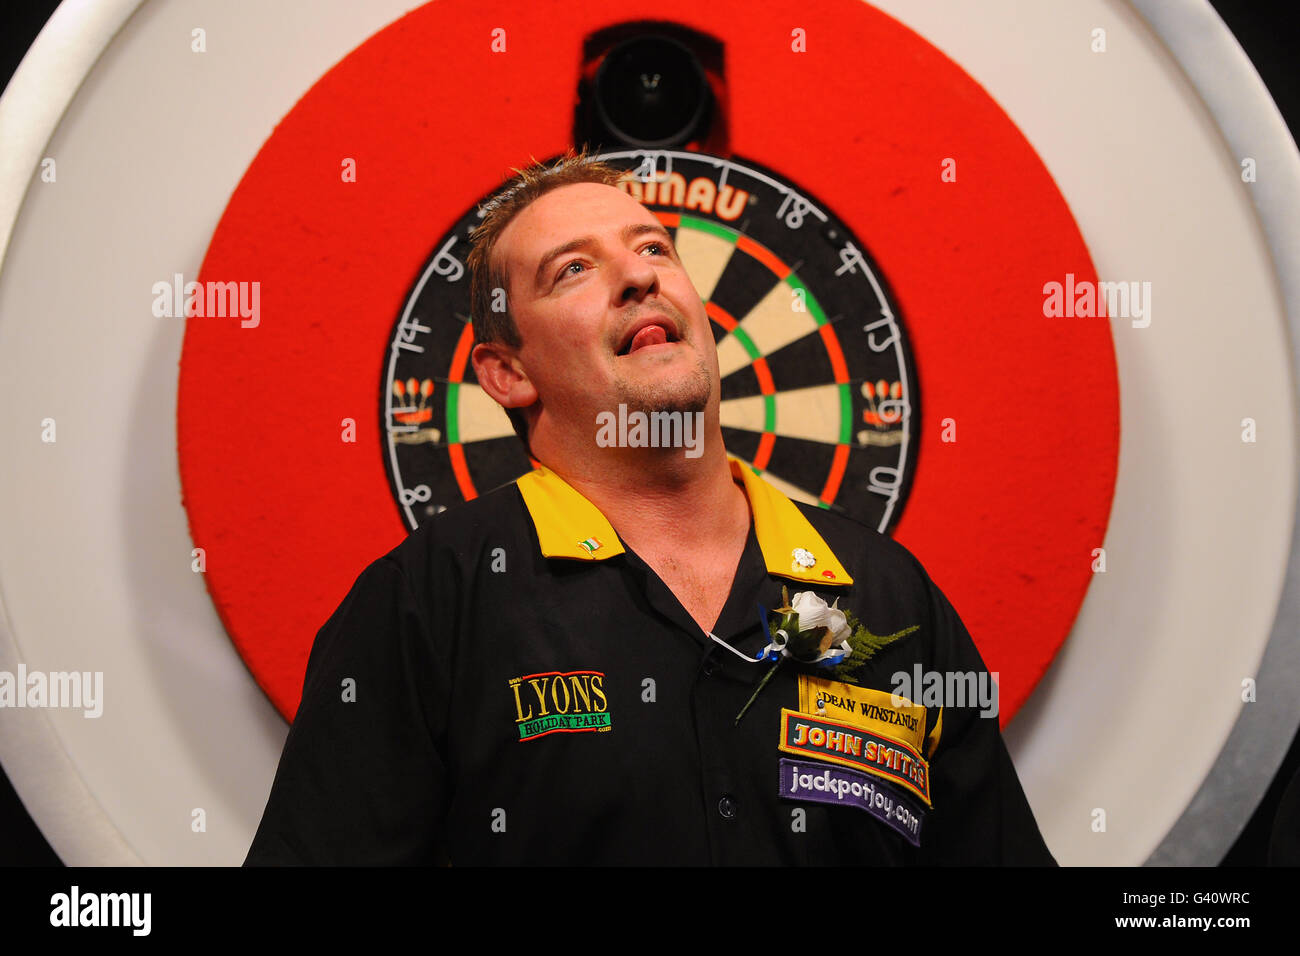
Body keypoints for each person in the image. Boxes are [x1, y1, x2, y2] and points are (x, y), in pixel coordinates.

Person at [244, 146, 1056, 865]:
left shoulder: (888, 593)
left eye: (655, 248)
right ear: (506, 374)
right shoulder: (428, 602)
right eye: (573, 269)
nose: (640, 275)